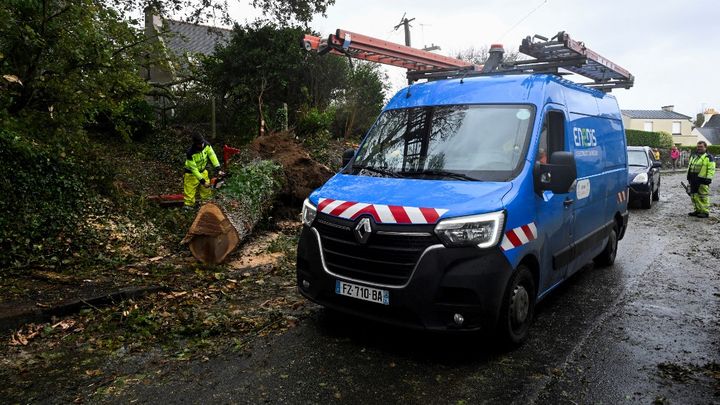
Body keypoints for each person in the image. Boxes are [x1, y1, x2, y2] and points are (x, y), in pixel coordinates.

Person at [184, 132, 223, 209]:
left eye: (202, 143)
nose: (201, 145)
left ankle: (206, 205)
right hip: (191, 174)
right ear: (195, 143)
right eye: (199, 143)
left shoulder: (206, 145)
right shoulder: (190, 153)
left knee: (206, 192)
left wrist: (218, 168)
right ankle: (188, 207)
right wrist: (202, 181)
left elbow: (212, 155)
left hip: (203, 171)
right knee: (190, 192)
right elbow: (194, 169)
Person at [686, 141, 716, 218]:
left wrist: (709, 178)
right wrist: (688, 176)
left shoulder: (708, 157)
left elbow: (711, 169)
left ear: (705, 147)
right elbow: (690, 166)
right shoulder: (694, 156)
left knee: (703, 196)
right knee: (693, 195)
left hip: (702, 179)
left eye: (701, 147)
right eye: (698, 147)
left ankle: (705, 212)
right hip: (693, 178)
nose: (699, 148)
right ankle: (697, 210)